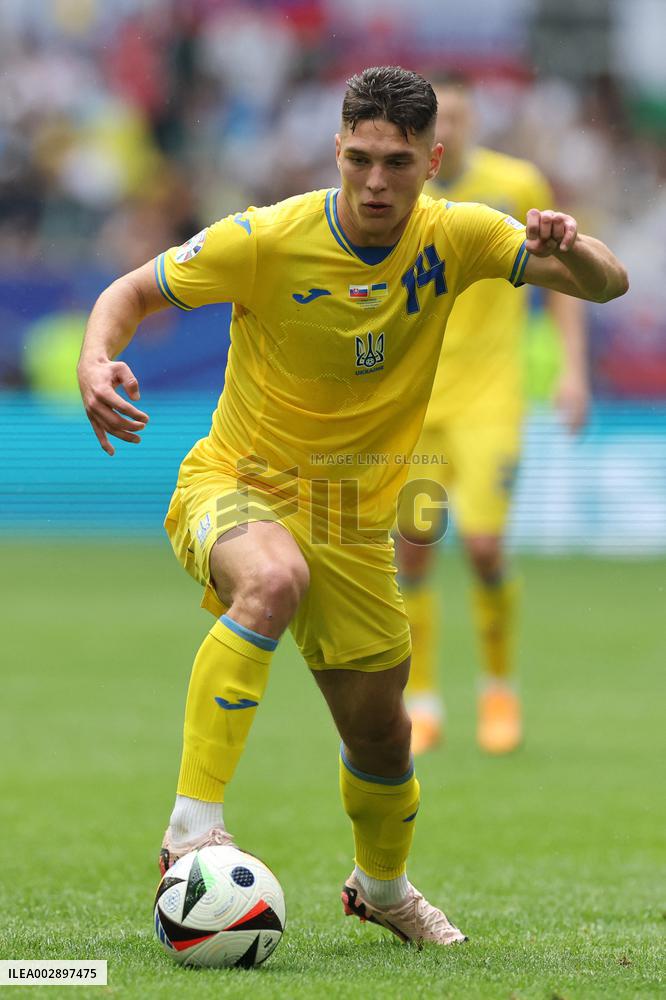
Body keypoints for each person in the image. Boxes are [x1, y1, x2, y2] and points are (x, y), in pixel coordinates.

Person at [77, 66, 628, 947]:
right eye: (361, 159)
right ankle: (191, 831)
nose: (377, 182)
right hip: (235, 481)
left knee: (383, 745)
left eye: (399, 164)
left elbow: (608, 286)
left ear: (433, 160)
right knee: (272, 578)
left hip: (354, 518)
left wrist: (574, 244)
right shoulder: (264, 237)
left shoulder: (462, 235)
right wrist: (95, 361)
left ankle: (382, 888)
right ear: (337, 149)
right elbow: (130, 293)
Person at [396, 74, 590, 757]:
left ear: (477, 121)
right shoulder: (401, 193)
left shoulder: (517, 186)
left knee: (482, 548)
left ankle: (498, 688)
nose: (452, 126)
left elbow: (564, 280)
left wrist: (572, 369)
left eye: (462, 115)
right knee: (413, 549)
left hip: (490, 403)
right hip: (416, 406)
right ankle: (421, 702)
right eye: (439, 117)